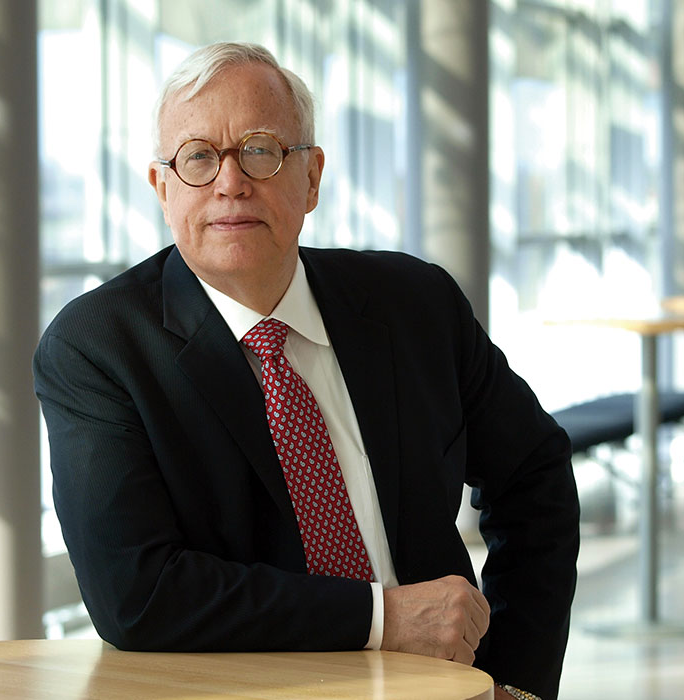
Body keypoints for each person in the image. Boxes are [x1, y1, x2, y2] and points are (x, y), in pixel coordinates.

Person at [34, 41, 579, 700]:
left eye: (261, 150)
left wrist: (513, 682)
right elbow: (138, 593)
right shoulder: (99, 349)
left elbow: (534, 472)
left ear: (312, 176)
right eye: (199, 158)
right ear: (162, 186)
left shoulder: (415, 304)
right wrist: (384, 621)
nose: (230, 183)